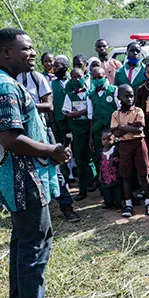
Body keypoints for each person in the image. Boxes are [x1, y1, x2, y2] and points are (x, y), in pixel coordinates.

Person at [0, 27, 70, 298]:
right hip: (24, 178)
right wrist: (53, 150)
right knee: (37, 240)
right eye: (26, 49)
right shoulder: (5, 87)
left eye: (33, 48)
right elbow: (11, 138)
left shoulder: (1, 81)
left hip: (19, 176)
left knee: (22, 238)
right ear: (6, 52)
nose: (32, 54)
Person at [112, 84, 149, 217]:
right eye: (126, 96)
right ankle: (128, 204)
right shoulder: (116, 114)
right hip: (124, 145)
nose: (129, 98)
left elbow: (139, 130)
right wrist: (129, 127)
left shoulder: (138, 111)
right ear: (119, 97)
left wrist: (123, 127)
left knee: (144, 173)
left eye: (131, 95)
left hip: (139, 144)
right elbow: (116, 133)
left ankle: (148, 202)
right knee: (126, 175)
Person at [62, 67, 96, 200]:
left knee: (92, 159)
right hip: (77, 132)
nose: (77, 80)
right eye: (74, 77)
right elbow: (68, 113)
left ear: (84, 76)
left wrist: (81, 112)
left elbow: (92, 114)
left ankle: (94, 183)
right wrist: (83, 112)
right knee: (80, 161)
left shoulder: (90, 94)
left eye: (79, 76)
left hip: (90, 130)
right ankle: (82, 190)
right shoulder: (69, 95)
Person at [87, 66, 120, 169]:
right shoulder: (90, 95)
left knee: (114, 155)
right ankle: (101, 181)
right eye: (94, 78)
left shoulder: (113, 90)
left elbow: (119, 110)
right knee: (99, 157)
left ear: (105, 77)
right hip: (98, 131)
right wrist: (90, 137)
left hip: (112, 129)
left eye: (99, 77)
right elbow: (91, 117)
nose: (97, 80)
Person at [50, 56, 72, 181]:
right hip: (59, 119)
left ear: (65, 67)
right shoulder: (52, 83)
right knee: (61, 146)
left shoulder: (73, 80)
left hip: (73, 119)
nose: (54, 68)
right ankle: (65, 176)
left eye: (57, 66)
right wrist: (52, 121)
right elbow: (51, 104)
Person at [97, 129, 123, 209]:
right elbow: (100, 164)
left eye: (109, 139)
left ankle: (118, 204)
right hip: (105, 176)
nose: (106, 141)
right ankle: (108, 203)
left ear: (114, 139)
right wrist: (100, 175)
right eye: (104, 139)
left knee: (117, 192)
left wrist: (118, 160)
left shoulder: (116, 149)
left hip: (115, 176)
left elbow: (122, 160)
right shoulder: (100, 152)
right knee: (106, 193)